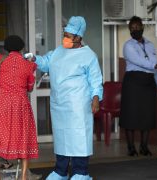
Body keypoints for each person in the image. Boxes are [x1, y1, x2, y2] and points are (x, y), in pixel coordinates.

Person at [33, 16, 103, 179]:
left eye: (69, 36)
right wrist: (34, 59)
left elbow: (95, 80)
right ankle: (60, 171)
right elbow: (45, 62)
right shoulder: (58, 51)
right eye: (65, 34)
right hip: (59, 104)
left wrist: (95, 98)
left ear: (79, 37)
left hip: (78, 105)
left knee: (79, 138)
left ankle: (80, 172)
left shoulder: (88, 55)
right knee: (62, 138)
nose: (65, 38)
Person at [0, 35, 39, 180]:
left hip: (1, 103)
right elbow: (30, 87)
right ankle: (23, 176)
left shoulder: (1, 61)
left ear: (6, 48)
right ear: (21, 48)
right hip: (20, 105)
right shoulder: (27, 64)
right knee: (23, 139)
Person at [119, 16, 157, 157]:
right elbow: (140, 61)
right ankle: (131, 147)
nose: (135, 30)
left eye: (137, 27)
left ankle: (144, 147)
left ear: (142, 27)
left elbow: (155, 66)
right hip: (133, 82)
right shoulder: (128, 46)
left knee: (147, 115)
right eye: (132, 28)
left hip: (148, 83)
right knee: (131, 115)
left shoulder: (150, 45)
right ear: (129, 30)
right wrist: (156, 65)